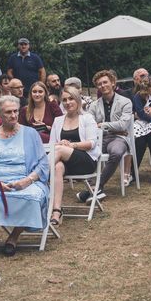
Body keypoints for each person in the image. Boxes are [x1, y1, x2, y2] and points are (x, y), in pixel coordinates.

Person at [0, 96, 49, 256]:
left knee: (33, 197)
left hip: (25, 180)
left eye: (16, 111)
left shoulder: (30, 133)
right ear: (0, 115)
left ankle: (14, 236)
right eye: (9, 112)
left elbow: (43, 164)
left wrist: (28, 180)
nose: (14, 115)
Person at [49, 87, 100, 226]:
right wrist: (60, 143)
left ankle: (38, 176)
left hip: (85, 161)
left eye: (71, 98)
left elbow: (91, 143)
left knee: (59, 150)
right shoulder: (58, 120)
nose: (67, 102)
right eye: (64, 99)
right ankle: (56, 211)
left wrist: (71, 145)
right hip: (65, 162)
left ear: (77, 100)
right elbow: (52, 145)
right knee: (58, 167)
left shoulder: (87, 118)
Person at [82, 70, 133, 201]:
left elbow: (123, 125)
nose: (102, 85)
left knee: (116, 152)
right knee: (84, 153)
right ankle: (95, 188)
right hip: (100, 139)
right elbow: (90, 126)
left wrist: (102, 125)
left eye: (105, 82)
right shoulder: (93, 105)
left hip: (119, 138)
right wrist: (111, 128)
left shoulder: (125, 101)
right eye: (99, 84)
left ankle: (95, 187)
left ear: (113, 83)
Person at [124, 68, 151, 184]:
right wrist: (137, 115)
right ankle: (132, 173)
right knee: (139, 141)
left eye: (147, 76)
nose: (145, 78)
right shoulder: (128, 95)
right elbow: (126, 114)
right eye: (142, 76)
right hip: (136, 128)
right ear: (135, 79)